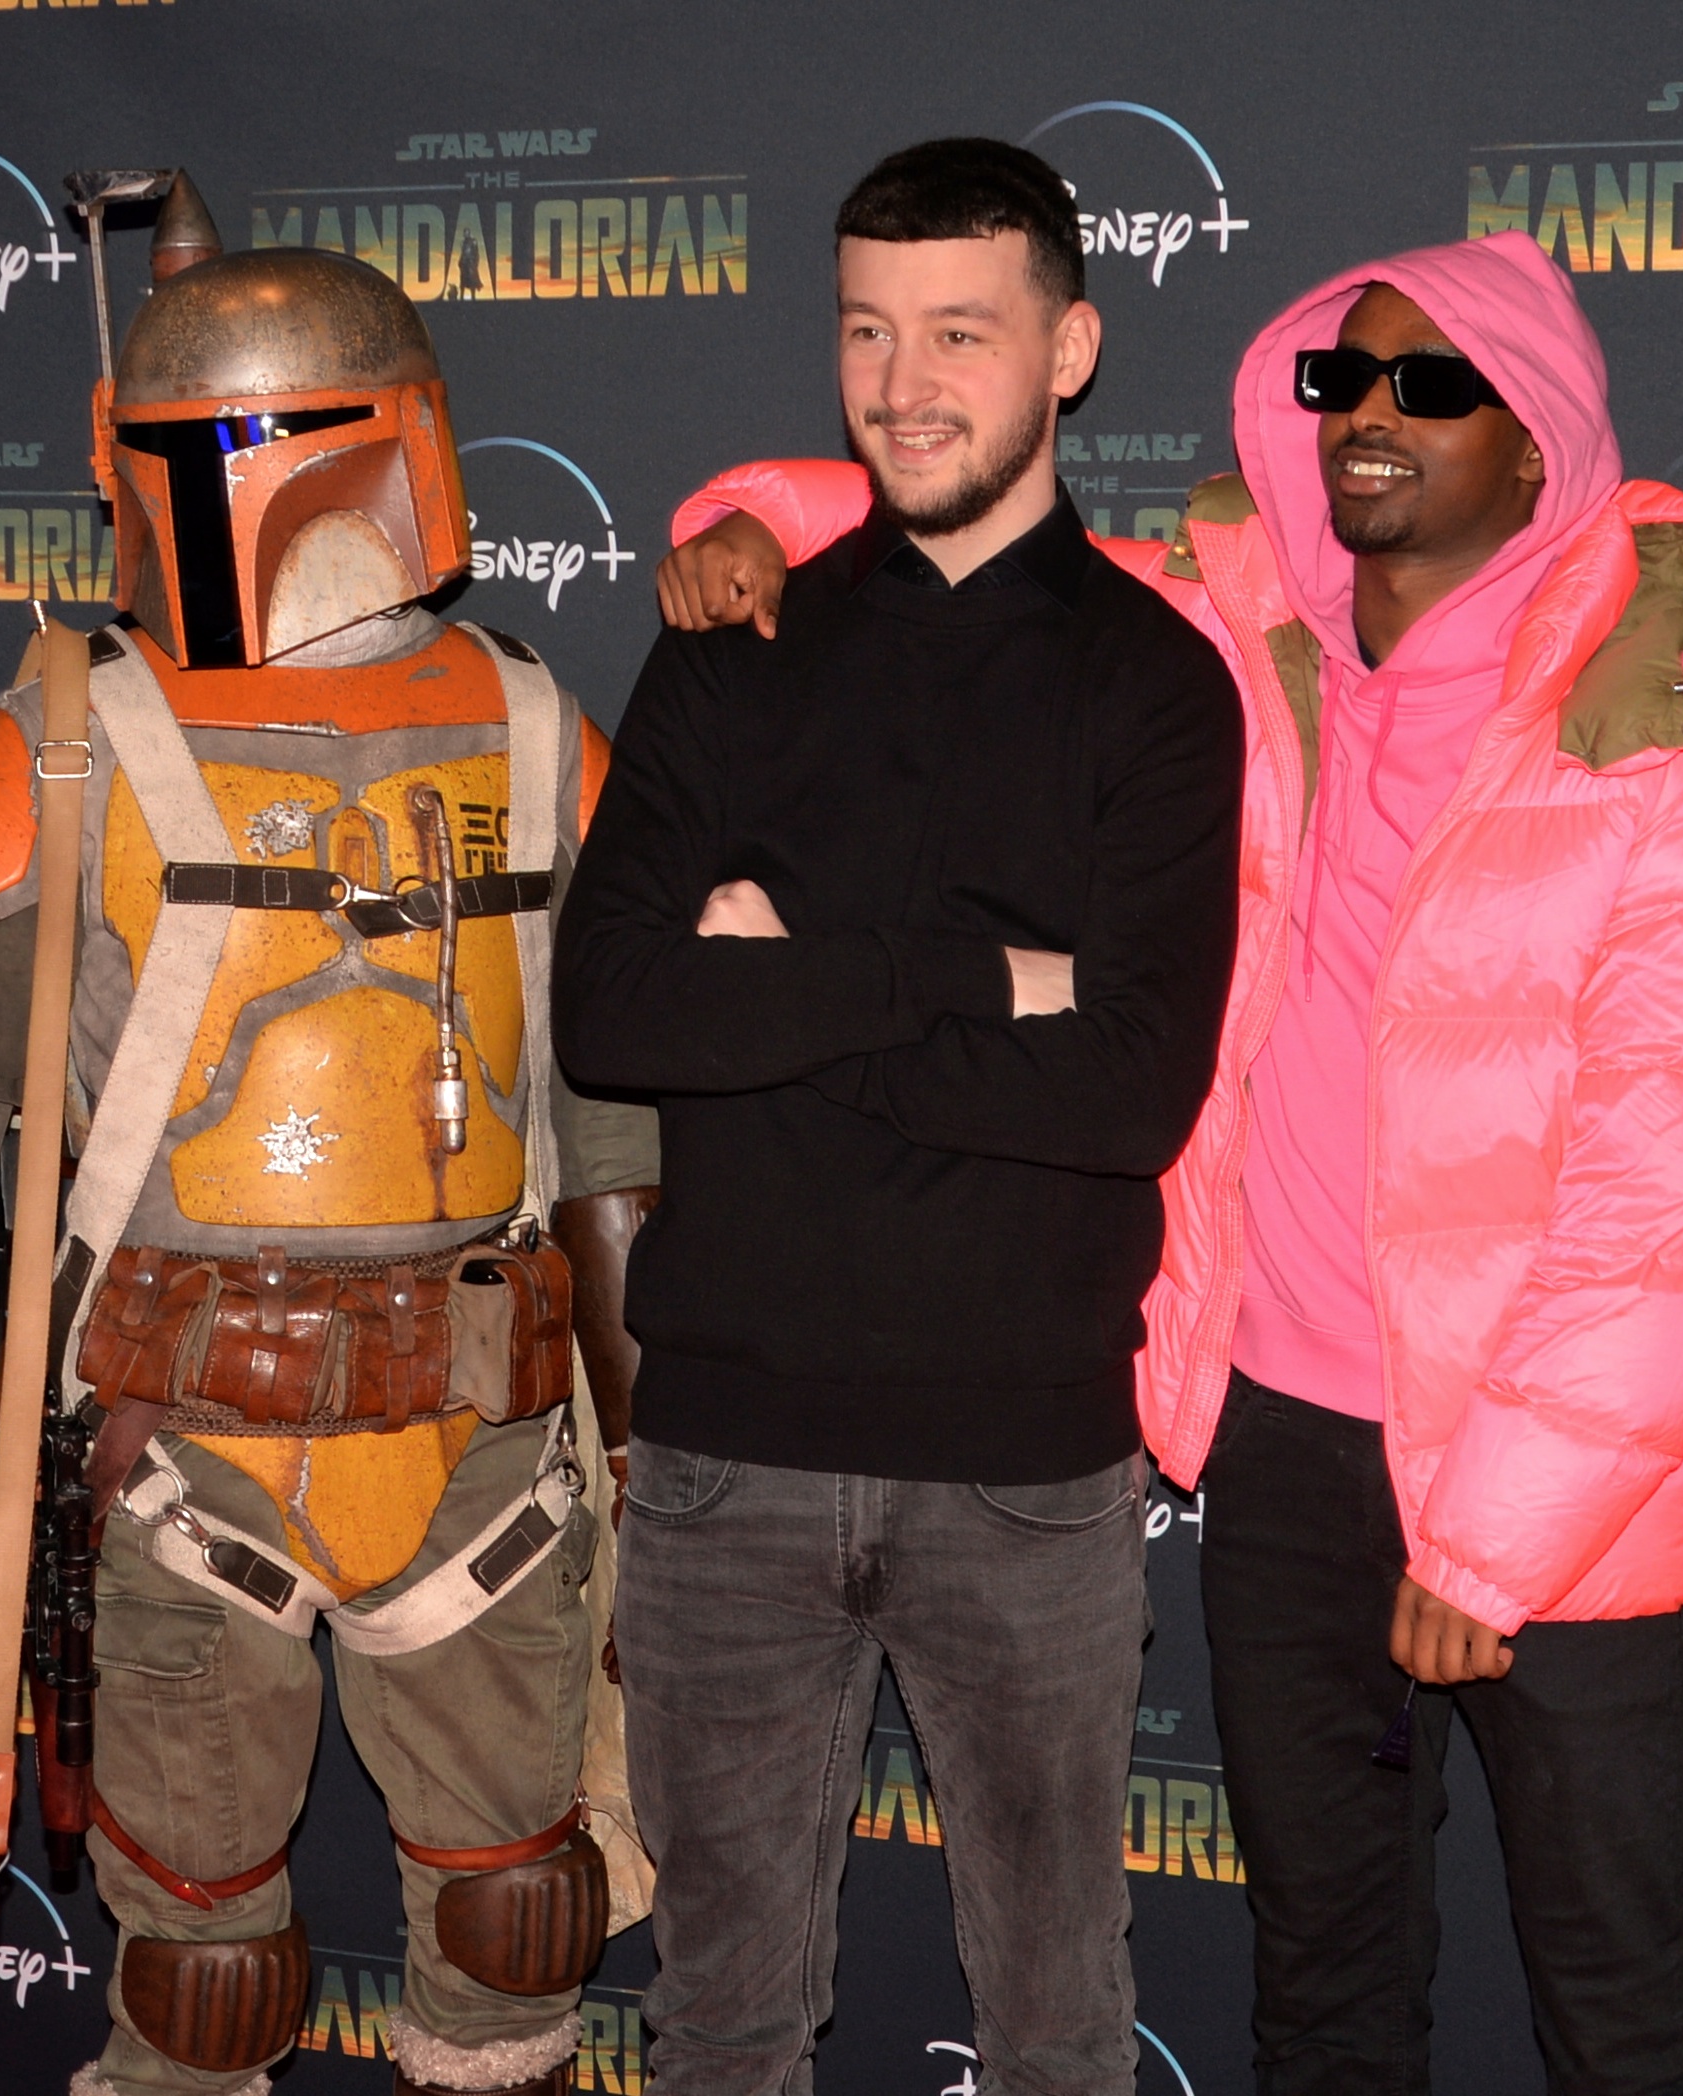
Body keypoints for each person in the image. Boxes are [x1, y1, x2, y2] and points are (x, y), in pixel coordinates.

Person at [651, 228, 1683, 2094]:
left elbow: (1680, 1215)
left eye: (1432, 385)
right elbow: (995, 539)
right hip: (1287, 1454)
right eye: (1340, 378)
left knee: (1617, 2007)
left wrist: (1491, 1543)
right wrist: (749, 517)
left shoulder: (1675, 763)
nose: (1371, 414)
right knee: (1324, 1984)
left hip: (1563, 1516)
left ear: (1539, 441)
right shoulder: (1247, 656)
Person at [0, 174, 658, 2096]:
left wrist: (660, 1480)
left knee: (516, 1921)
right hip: (177, 1456)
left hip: (485, 1448)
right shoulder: (68, 738)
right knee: (198, 1971)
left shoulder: (533, 729)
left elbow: (610, 1140)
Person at [552, 138, 1243, 2096]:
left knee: (1055, 2032)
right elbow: (613, 1015)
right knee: (720, 2031)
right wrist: (965, 974)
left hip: (1024, 1475)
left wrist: (778, 987)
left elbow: (1127, 1091)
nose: (903, 382)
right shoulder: (731, 650)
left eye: (959, 332)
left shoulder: (1156, 687)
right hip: (719, 1466)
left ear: (1069, 351)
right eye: (866, 331)